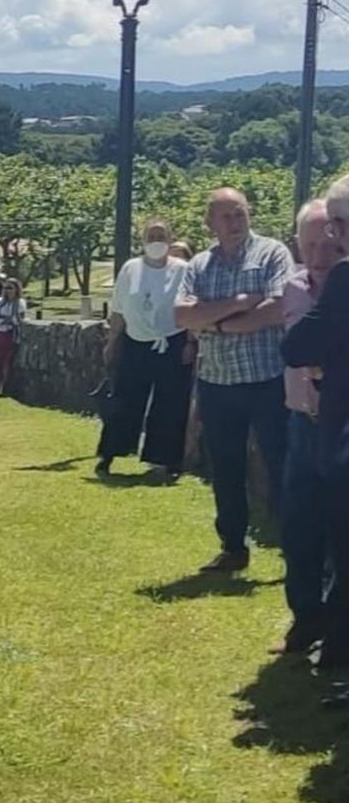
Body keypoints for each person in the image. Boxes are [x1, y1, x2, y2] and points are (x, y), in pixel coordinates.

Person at [175, 187, 292, 574]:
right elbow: (183, 317)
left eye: (239, 214)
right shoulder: (198, 266)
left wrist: (216, 324)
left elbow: (277, 308)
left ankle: (297, 548)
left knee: (282, 466)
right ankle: (232, 548)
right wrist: (243, 303)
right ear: (209, 222)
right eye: (226, 216)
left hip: (267, 380)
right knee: (225, 468)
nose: (235, 222)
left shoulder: (272, 253)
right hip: (217, 382)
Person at [284, 181, 349, 672]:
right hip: (306, 422)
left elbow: (296, 347)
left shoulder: (344, 282)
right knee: (304, 530)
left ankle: (337, 645)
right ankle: (314, 626)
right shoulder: (292, 287)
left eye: (334, 236)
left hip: (339, 428)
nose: (325, 249)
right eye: (312, 243)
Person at [96, 219, 193, 478]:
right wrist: (112, 342)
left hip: (172, 342)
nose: (156, 241)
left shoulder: (184, 269)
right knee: (125, 400)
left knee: (170, 403)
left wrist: (191, 342)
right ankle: (109, 453)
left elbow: (192, 307)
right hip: (135, 341)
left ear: (170, 240)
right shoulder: (130, 269)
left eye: (161, 236)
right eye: (152, 236)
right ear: (143, 241)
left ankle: (166, 461)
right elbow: (118, 310)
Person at [0, 278, 26, 396]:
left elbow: (19, 320)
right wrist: (6, 319)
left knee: (6, 361)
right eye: (5, 288)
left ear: (16, 290)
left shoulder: (19, 303)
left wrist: (8, 320)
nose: (7, 290)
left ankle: (4, 387)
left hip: (11, 334)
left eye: (10, 288)